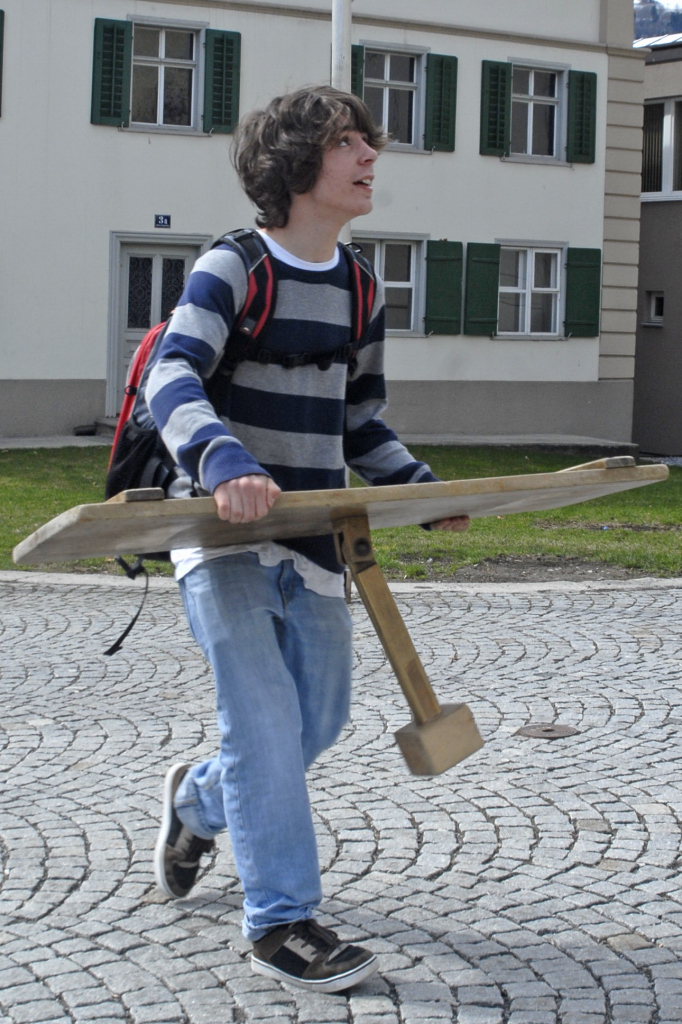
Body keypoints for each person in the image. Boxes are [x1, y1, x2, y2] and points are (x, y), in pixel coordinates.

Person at [148, 85, 469, 994]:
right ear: (295, 164)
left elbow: (359, 418)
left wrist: (416, 489)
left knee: (314, 723)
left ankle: (196, 802)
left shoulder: (361, 283)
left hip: (317, 536)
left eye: (369, 141)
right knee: (261, 722)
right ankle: (282, 921)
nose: (370, 156)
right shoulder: (234, 266)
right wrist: (222, 460)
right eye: (347, 142)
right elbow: (171, 373)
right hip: (222, 532)